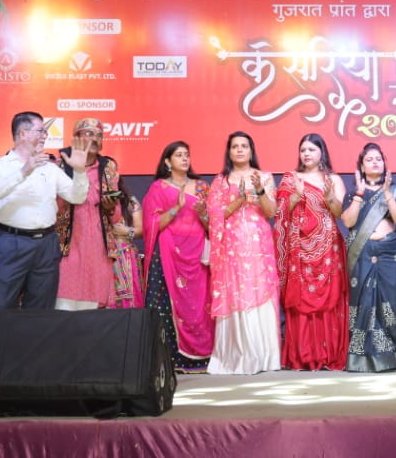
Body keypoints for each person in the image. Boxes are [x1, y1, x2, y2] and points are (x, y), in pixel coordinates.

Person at [0, 111, 88, 310]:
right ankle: (2, 333)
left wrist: (80, 172)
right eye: (41, 131)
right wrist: (23, 171)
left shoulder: (50, 168)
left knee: (42, 309)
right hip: (12, 242)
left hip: (47, 243)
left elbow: (76, 197)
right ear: (23, 133)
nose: (45, 135)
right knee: (1, 307)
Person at [206, 131, 282, 374]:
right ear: (229, 152)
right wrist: (239, 200)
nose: (239, 150)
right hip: (231, 246)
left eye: (244, 146)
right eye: (235, 146)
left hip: (259, 246)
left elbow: (271, 212)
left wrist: (259, 191)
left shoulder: (264, 177)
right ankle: (237, 356)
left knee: (260, 290)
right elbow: (216, 215)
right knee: (236, 292)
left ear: (251, 151)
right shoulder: (221, 181)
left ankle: (264, 357)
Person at [274, 133, 349, 370]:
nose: (306, 154)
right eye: (303, 150)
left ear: (321, 152)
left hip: (328, 247)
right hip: (299, 249)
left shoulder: (333, 179)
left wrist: (329, 197)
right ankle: (303, 356)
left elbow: (341, 214)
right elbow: (280, 212)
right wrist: (295, 196)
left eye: (311, 150)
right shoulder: (291, 178)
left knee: (330, 301)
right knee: (300, 301)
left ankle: (328, 355)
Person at [141, 141, 213, 371]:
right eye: (179, 155)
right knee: (166, 304)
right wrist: (176, 208)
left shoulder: (201, 187)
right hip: (169, 252)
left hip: (196, 254)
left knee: (198, 305)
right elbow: (152, 224)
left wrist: (203, 215)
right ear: (167, 161)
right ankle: (169, 359)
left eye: (186, 155)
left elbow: (211, 225)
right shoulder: (159, 188)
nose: (184, 159)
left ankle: (201, 358)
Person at [342, 142, 396, 371]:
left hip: (389, 253)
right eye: (369, 159)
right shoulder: (353, 193)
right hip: (362, 252)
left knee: (392, 303)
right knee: (363, 302)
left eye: (378, 159)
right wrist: (359, 194)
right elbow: (348, 221)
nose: (375, 162)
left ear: (384, 164)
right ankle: (361, 358)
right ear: (361, 167)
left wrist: (387, 194)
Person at [55, 118, 124, 309]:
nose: (95, 139)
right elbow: (53, 208)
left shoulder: (108, 167)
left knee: (91, 309)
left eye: (99, 136)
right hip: (68, 245)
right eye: (89, 134)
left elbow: (116, 217)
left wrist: (110, 207)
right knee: (64, 305)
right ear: (76, 138)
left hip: (98, 247)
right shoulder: (61, 165)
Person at [107, 189, 145, 309]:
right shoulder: (93, 198)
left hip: (125, 255)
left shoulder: (129, 200)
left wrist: (127, 231)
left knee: (130, 302)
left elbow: (141, 230)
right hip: (101, 254)